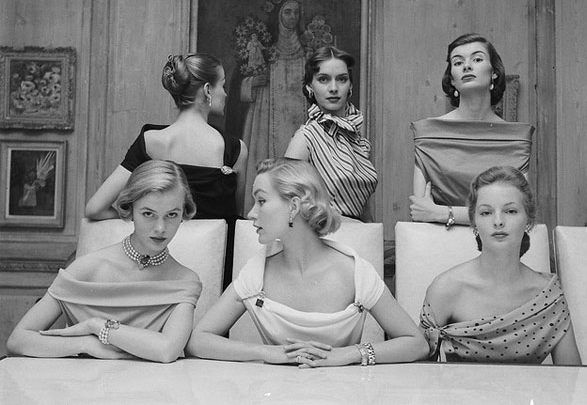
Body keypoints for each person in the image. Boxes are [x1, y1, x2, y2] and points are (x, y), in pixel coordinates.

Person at [186, 158, 428, 367]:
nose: (251, 213)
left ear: (293, 206)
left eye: (261, 201)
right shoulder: (256, 272)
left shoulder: (355, 272)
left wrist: (348, 355)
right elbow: (198, 340)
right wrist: (265, 352)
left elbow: (417, 344)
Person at [7, 160, 203, 363]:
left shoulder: (185, 281)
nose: (160, 228)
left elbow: (167, 351)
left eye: (172, 215)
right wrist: (85, 344)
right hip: (82, 380)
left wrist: (98, 326)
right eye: (148, 214)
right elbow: (18, 341)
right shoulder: (87, 268)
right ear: (130, 210)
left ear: (183, 214)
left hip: (150, 382)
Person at [84, 53, 248, 286]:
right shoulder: (235, 150)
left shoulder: (151, 141)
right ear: (207, 90)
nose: (225, 93)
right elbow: (237, 219)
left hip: (158, 270)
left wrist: (141, 217)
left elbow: (95, 209)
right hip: (217, 276)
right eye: (222, 85)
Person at [420, 166, 581, 365]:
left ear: (528, 220)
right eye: (486, 212)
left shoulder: (549, 296)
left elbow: (573, 376)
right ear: (474, 223)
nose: (498, 221)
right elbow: (418, 373)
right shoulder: (446, 288)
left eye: (510, 211)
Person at [409, 33, 534, 227]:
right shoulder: (428, 133)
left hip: (498, 242)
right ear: (452, 80)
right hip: (438, 241)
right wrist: (486, 214)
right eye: (458, 62)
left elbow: (519, 214)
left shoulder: (517, 139)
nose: (467, 66)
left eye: (477, 59)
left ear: (494, 73)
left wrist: (444, 213)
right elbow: (420, 211)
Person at [285, 46, 378, 221]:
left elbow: (364, 209)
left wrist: (372, 233)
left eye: (342, 79)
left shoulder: (359, 141)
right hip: (325, 233)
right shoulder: (305, 137)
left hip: (360, 233)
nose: (334, 88)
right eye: (323, 79)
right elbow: (287, 205)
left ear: (350, 86)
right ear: (310, 87)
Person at [241, 0, 307, 213]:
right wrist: (253, 82)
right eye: (287, 12)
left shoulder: (307, 50)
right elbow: (240, 84)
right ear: (279, 16)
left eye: (296, 13)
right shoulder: (265, 50)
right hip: (267, 117)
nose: (292, 17)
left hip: (299, 117)